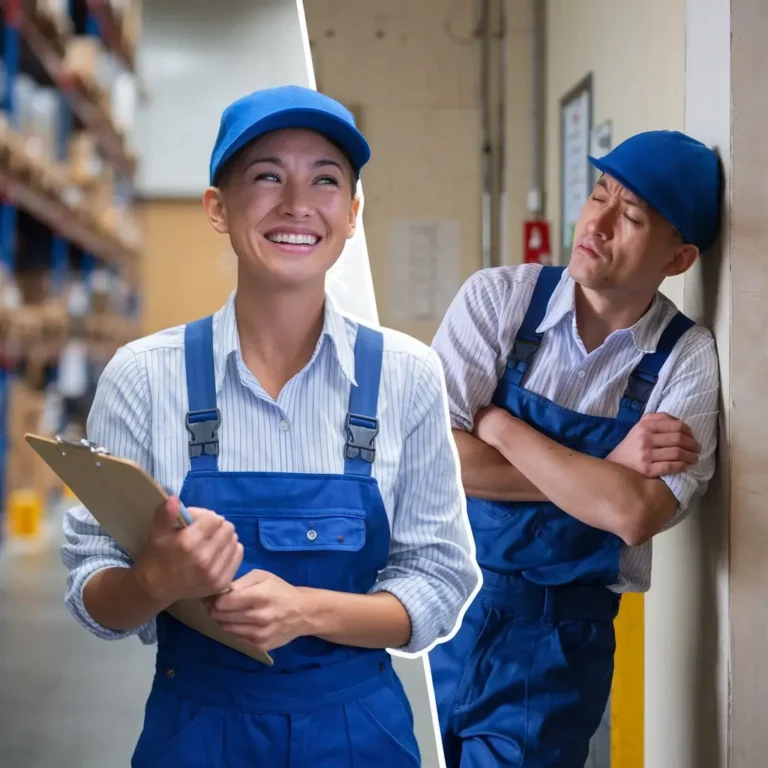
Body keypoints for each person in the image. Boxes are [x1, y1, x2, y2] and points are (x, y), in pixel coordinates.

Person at [60, 85, 479, 768]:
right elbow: (93, 590)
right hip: (196, 732)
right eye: (266, 177)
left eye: (325, 179)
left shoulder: (407, 376)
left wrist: (308, 610)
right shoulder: (143, 377)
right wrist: (153, 583)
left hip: (359, 736)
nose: (297, 204)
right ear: (217, 208)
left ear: (352, 213)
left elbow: (437, 582)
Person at [428, 130, 722, 767]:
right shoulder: (499, 299)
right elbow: (436, 457)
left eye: (633, 215)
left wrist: (499, 426)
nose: (600, 221)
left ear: (679, 259)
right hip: (438, 604)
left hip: (554, 647)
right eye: (599, 194)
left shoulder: (687, 360)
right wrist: (605, 469)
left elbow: (634, 514)